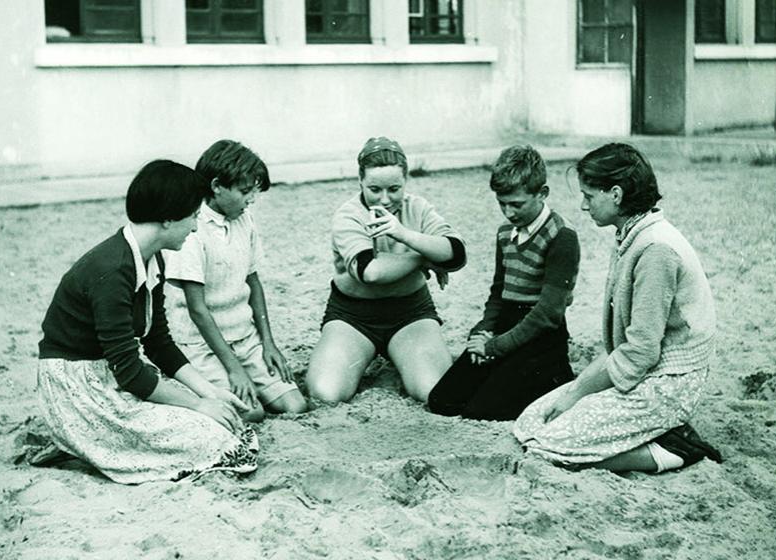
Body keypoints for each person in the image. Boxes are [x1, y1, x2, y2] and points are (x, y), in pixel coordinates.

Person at [37, 160, 258, 484]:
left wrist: (208, 392)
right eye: (193, 216)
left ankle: (92, 442)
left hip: (108, 375)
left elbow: (158, 343)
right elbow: (129, 371)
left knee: (219, 423)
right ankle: (83, 441)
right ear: (168, 219)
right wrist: (199, 405)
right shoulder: (113, 269)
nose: (195, 227)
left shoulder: (151, 258)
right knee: (211, 438)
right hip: (78, 386)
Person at [513, 143, 722, 473]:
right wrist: (577, 394)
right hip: (643, 369)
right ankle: (645, 435)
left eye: (589, 195)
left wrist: (578, 392)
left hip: (670, 381)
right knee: (531, 423)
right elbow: (629, 348)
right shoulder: (632, 234)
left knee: (550, 447)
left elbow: (641, 352)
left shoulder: (656, 249)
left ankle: (676, 449)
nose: (583, 206)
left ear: (616, 194)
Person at [306, 136, 466, 404]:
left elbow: (456, 254)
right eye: (374, 189)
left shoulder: (417, 207)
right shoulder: (349, 215)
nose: (385, 198)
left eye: (394, 188)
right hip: (353, 316)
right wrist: (423, 259)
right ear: (360, 180)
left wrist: (405, 235)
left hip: (410, 313)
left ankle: (404, 356)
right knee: (326, 394)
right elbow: (370, 272)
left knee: (433, 391)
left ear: (406, 181)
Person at [428, 145, 580, 420]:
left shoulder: (562, 236)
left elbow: (548, 314)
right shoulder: (505, 233)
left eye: (517, 204)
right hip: (505, 327)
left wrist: (494, 348)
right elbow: (499, 292)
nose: (509, 212)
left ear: (542, 193)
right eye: (502, 203)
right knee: (442, 400)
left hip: (540, 336)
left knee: (482, 411)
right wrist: (483, 332)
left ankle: (553, 378)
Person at [163, 140, 307, 421]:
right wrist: (234, 368)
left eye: (254, 191)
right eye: (245, 191)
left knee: (295, 404)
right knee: (251, 413)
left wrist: (268, 343)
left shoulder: (244, 218)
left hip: (245, 337)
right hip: (202, 344)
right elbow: (197, 310)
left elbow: (253, 281)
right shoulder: (192, 227)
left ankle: (247, 370)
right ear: (217, 186)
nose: (251, 199)